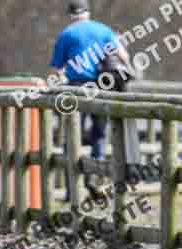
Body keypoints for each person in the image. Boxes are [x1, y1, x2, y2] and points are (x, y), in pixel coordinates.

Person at [50, 1, 130, 191]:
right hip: (101, 87)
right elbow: (123, 56)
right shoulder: (103, 30)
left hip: (76, 88)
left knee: (72, 134)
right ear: (88, 12)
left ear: (70, 15)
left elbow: (57, 69)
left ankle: (72, 186)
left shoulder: (67, 34)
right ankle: (96, 177)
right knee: (100, 133)